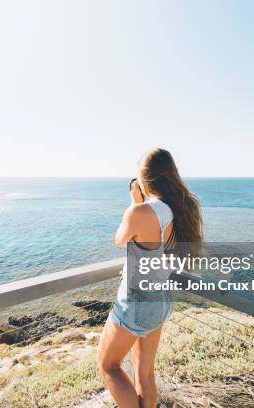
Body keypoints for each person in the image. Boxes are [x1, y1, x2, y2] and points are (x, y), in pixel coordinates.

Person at [97, 148, 203, 408]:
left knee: (108, 366)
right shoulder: (179, 209)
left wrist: (135, 203)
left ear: (144, 179)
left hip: (134, 306)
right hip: (161, 301)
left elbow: (120, 239)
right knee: (145, 373)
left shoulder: (141, 212)